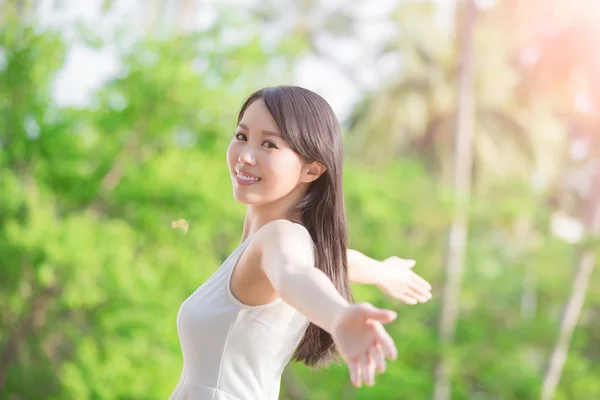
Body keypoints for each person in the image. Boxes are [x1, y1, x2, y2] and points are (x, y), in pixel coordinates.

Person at [169, 86, 432, 400]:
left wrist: (338, 315)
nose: (246, 156)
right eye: (241, 136)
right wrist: (382, 271)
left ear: (312, 168)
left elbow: (294, 274)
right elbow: (335, 261)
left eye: (269, 144)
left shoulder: (280, 236)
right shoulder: (276, 245)